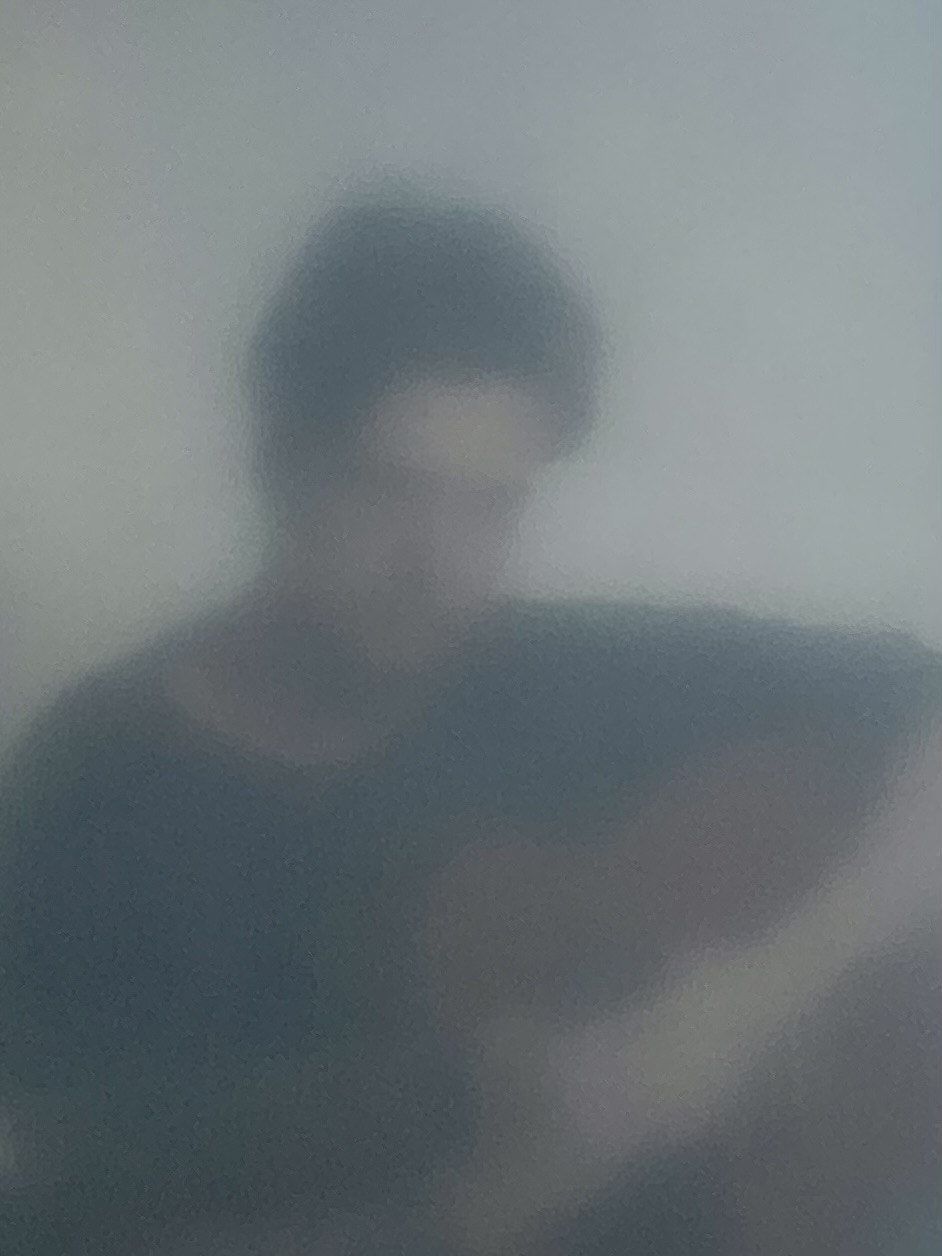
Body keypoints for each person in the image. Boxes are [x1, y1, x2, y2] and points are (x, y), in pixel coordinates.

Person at [1, 178, 939, 1255]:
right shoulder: (92, 785)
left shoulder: (555, 666)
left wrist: (737, 1010)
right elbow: (65, 1189)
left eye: (493, 505)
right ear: (282, 464)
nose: (440, 564)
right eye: (389, 490)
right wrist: (499, 1179)